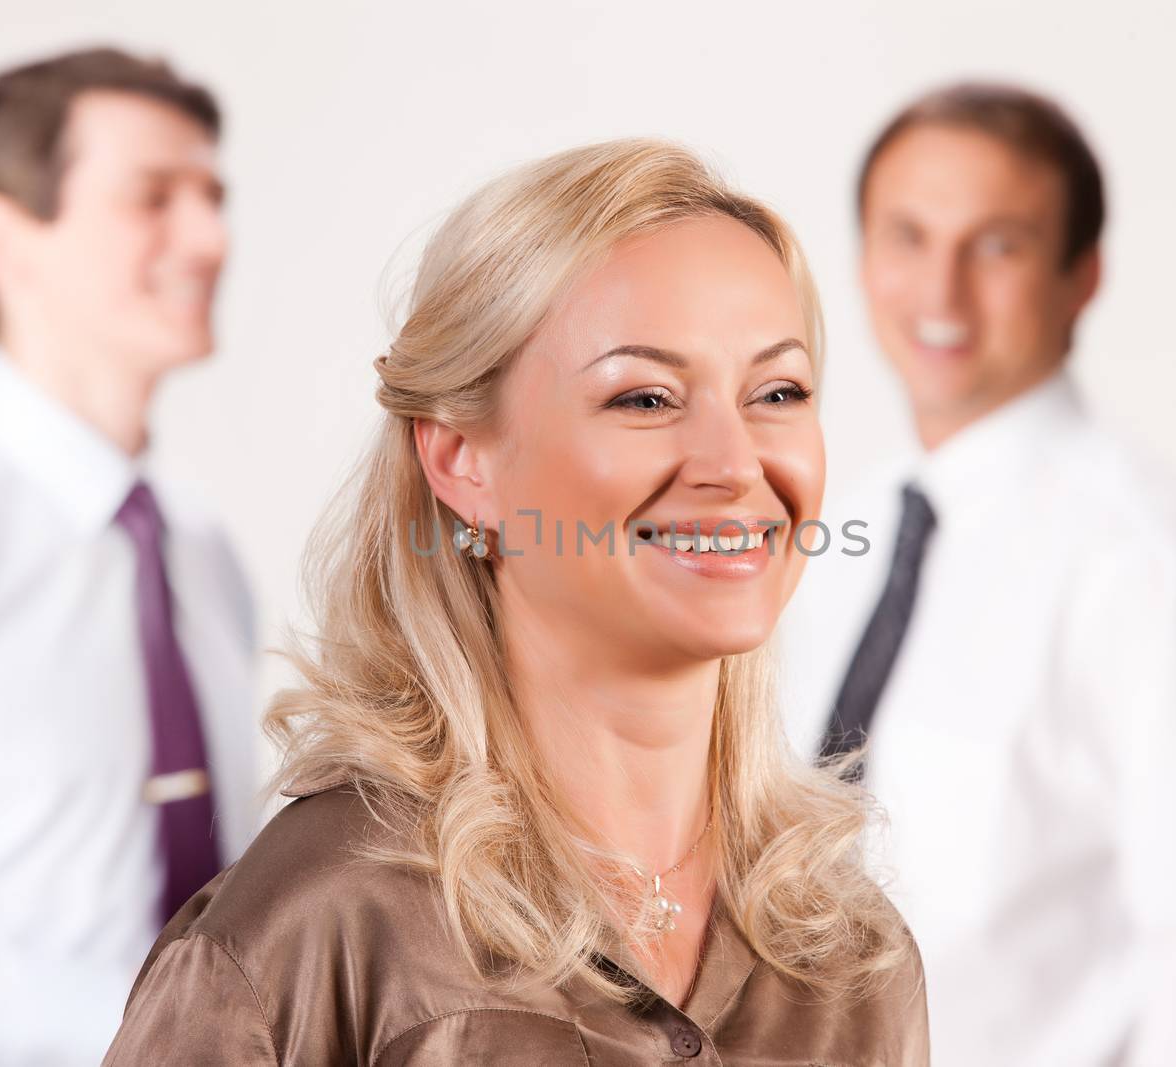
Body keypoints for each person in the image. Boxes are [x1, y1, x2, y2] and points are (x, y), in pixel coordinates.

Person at [102, 138, 930, 1065]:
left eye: (777, 391)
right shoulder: (310, 934)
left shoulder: (853, 959)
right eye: (647, 398)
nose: (736, 466)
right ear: (462, 460)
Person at [779, 82, 1176, 1066]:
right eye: (907, 236)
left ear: (1080, 275)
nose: (940, 291)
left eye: (996, 245)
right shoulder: (840, 530)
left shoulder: (1150, 563)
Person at [0, 47, 257, 1064]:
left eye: (212, 195)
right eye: (153, 197)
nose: (209, 237)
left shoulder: (203, 551)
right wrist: (140, 1019)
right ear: (3, 239)